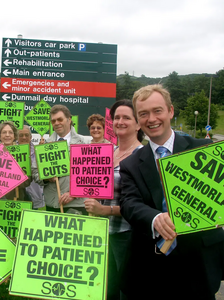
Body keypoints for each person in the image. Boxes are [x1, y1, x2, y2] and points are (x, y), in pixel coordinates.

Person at [119, 84, 224, 299]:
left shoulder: (203, 149)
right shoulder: (131, 164)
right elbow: (129, 203)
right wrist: (155, 217)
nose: (151, 119)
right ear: (138, 121)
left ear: (171, 111)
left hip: (199, 264)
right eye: (143, 114)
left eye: (157, 111)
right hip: (151, 267)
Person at [85, 100, 143, 300]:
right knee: (105, 289)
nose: (120, 121)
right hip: (102, 232)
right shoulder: (109, 152)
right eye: (117, 117)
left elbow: (141, 205)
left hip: (126, 235)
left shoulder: (142, 156)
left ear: (138, 124)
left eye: (127, 117)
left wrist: (105, 210)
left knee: (125, 290)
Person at [32, 104, 87, 214]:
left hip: (77, 205)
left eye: (60, 119)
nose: (56, 123)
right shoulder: (45, 145)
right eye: (53, 121)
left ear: (69, 119)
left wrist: (74, 193)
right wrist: (46, 178)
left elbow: (91, 175)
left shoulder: (85, 143)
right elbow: (35, 172)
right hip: (52, 204)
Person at [18, 125, 45, 209]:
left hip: (34, 194)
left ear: (31, 137)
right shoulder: (11, 151)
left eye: (26, 135)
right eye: (21, 135)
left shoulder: (38, 151)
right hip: (17, 194)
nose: (24, 137)